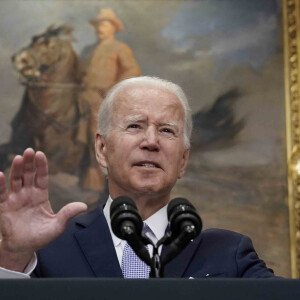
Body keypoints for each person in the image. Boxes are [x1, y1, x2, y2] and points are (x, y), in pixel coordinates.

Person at [0, 76, 275, 278]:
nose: (151, 141)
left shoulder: (228, 254)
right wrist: (13, 254)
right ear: (102, 148)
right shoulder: (44, 250)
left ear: (183, 160)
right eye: (135, 126)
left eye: (167, 131)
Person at [78, 8, 141, 192]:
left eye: (104, 24)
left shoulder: (120, 48)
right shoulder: (88, 50)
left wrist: (113, 88)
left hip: (103, 102)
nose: (100, 28)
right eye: (98, 25)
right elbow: (80, 73)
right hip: (83, 99)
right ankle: (88, 184)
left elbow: (132, 71)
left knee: (98, 140)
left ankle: (101, 188)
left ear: (113, 27)